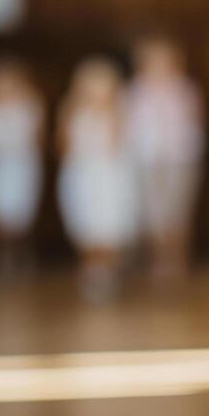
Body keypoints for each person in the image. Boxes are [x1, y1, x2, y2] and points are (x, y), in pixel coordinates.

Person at [126, 35, 205, 284]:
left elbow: (195, 124)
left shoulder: (186, 90)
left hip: (179, 160)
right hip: (146, 161)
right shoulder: (135, 91)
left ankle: (177, 262)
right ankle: (156, 262)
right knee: (152, 212)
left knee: (177, 211)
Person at [58, 56, 136, 302]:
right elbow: (64, 146)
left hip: (109, 177)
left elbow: (122, 143)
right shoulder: (72, 112)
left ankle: (109, 270)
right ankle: (91, 269)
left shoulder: (119, 111)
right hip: (83, 177)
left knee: (109, 224)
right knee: (87, 225)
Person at [0, 56, 45, 277]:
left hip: (19, 166)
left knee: (17, 213)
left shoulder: (30, 105)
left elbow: (37, 138)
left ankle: (16, 253)